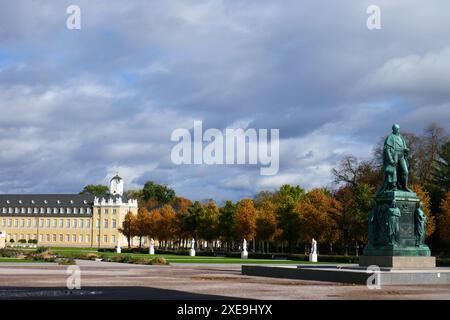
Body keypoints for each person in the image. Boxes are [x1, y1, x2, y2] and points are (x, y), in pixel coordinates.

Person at [378, 124, 412, 194]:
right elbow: (387, 149)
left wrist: (405, 150)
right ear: (393, 129)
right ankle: (393, 186)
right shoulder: (390, 137)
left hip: (401, 156)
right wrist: (390, 159)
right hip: (394, 156)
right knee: (394, 172)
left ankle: (405, 186)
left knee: (405, 172)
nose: (398, 130)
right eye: (397, 129)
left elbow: (403, 147)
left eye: (399, 129)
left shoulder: (401, 137)